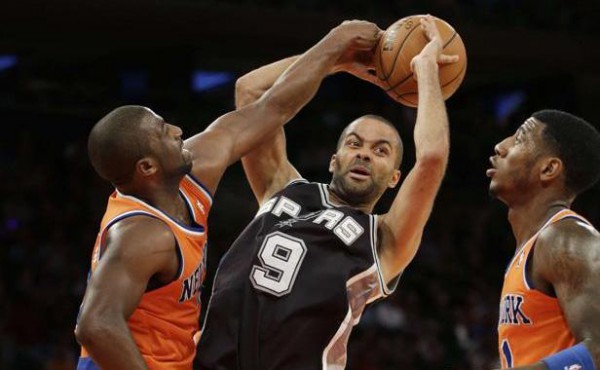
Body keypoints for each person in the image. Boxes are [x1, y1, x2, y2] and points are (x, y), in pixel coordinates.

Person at [73, 20, 383, 370]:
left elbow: (271, 108)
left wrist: (335, 54)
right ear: (147, 168)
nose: (177, 131)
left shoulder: (193, 169)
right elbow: (96, 325)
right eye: (163, 133)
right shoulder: (140, 236)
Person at [197, 15, 457, 369]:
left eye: (381, 150)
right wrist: (335, 62)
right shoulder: (283, 187)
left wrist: (425, 70)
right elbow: (250, 90)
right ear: (334, 160)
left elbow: (431, 158)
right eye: (355, 144)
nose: (365, 152)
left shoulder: (385, 238)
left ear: (395, 177)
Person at [488, 110, 600, 369]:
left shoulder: (567, 239)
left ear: (549, 169)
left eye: (520, 139)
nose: (501, 146)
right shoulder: (533, 247)